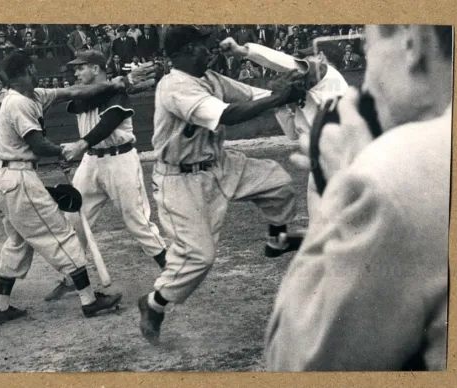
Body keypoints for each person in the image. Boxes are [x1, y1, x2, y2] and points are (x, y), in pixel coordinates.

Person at [265, 24, 452, 371]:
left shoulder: (390, 178)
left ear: (412, 44)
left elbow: (295, 364)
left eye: (367, 45)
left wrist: (351, 181)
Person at [137, 26, 305, 345]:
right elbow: (228, 115)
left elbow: (252, 96)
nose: (207, 49)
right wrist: (277, 96)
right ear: (182, 52)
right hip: (180, 179)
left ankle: (277, 240)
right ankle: (153, 304)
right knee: (200, 257)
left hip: (219, 163)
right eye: (200, 45)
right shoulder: (174, 86)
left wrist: (287, 90)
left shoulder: (210, 78)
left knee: (278, 181)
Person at [0, 50, 152, 324]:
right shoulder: (17, 103)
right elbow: (38, 144)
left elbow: (74, 91)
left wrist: (116, 83)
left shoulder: (33, 94)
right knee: (62, 235)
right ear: (28, 69)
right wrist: (65, 152)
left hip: (3, 179)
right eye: (32, 67)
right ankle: (89, 301)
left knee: (17, 243)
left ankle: (0, 307)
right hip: (18, 178)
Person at [43, 51, 168, 301]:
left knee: (137, 222)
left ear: (96, 69)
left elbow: (109, 122)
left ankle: (173, 272)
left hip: (119, 159)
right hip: (91, 162)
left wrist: (82, 143)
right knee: (72, 219)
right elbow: (84, 100)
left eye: (81, 69)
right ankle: (71, 279)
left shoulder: (118, 94)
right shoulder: (89, 92)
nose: (76, 74)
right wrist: (121, 83)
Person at [218, 37, 349, 224]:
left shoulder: (329, 75)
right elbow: (293, 134)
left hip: (337, 157)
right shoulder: (313, 90)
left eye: (308, 56)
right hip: (322, 160)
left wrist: (243, 51)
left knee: (335, 228)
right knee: (322, 229)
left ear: (321, 57)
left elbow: (289, 63)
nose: (302, 62)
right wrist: (279, 105)